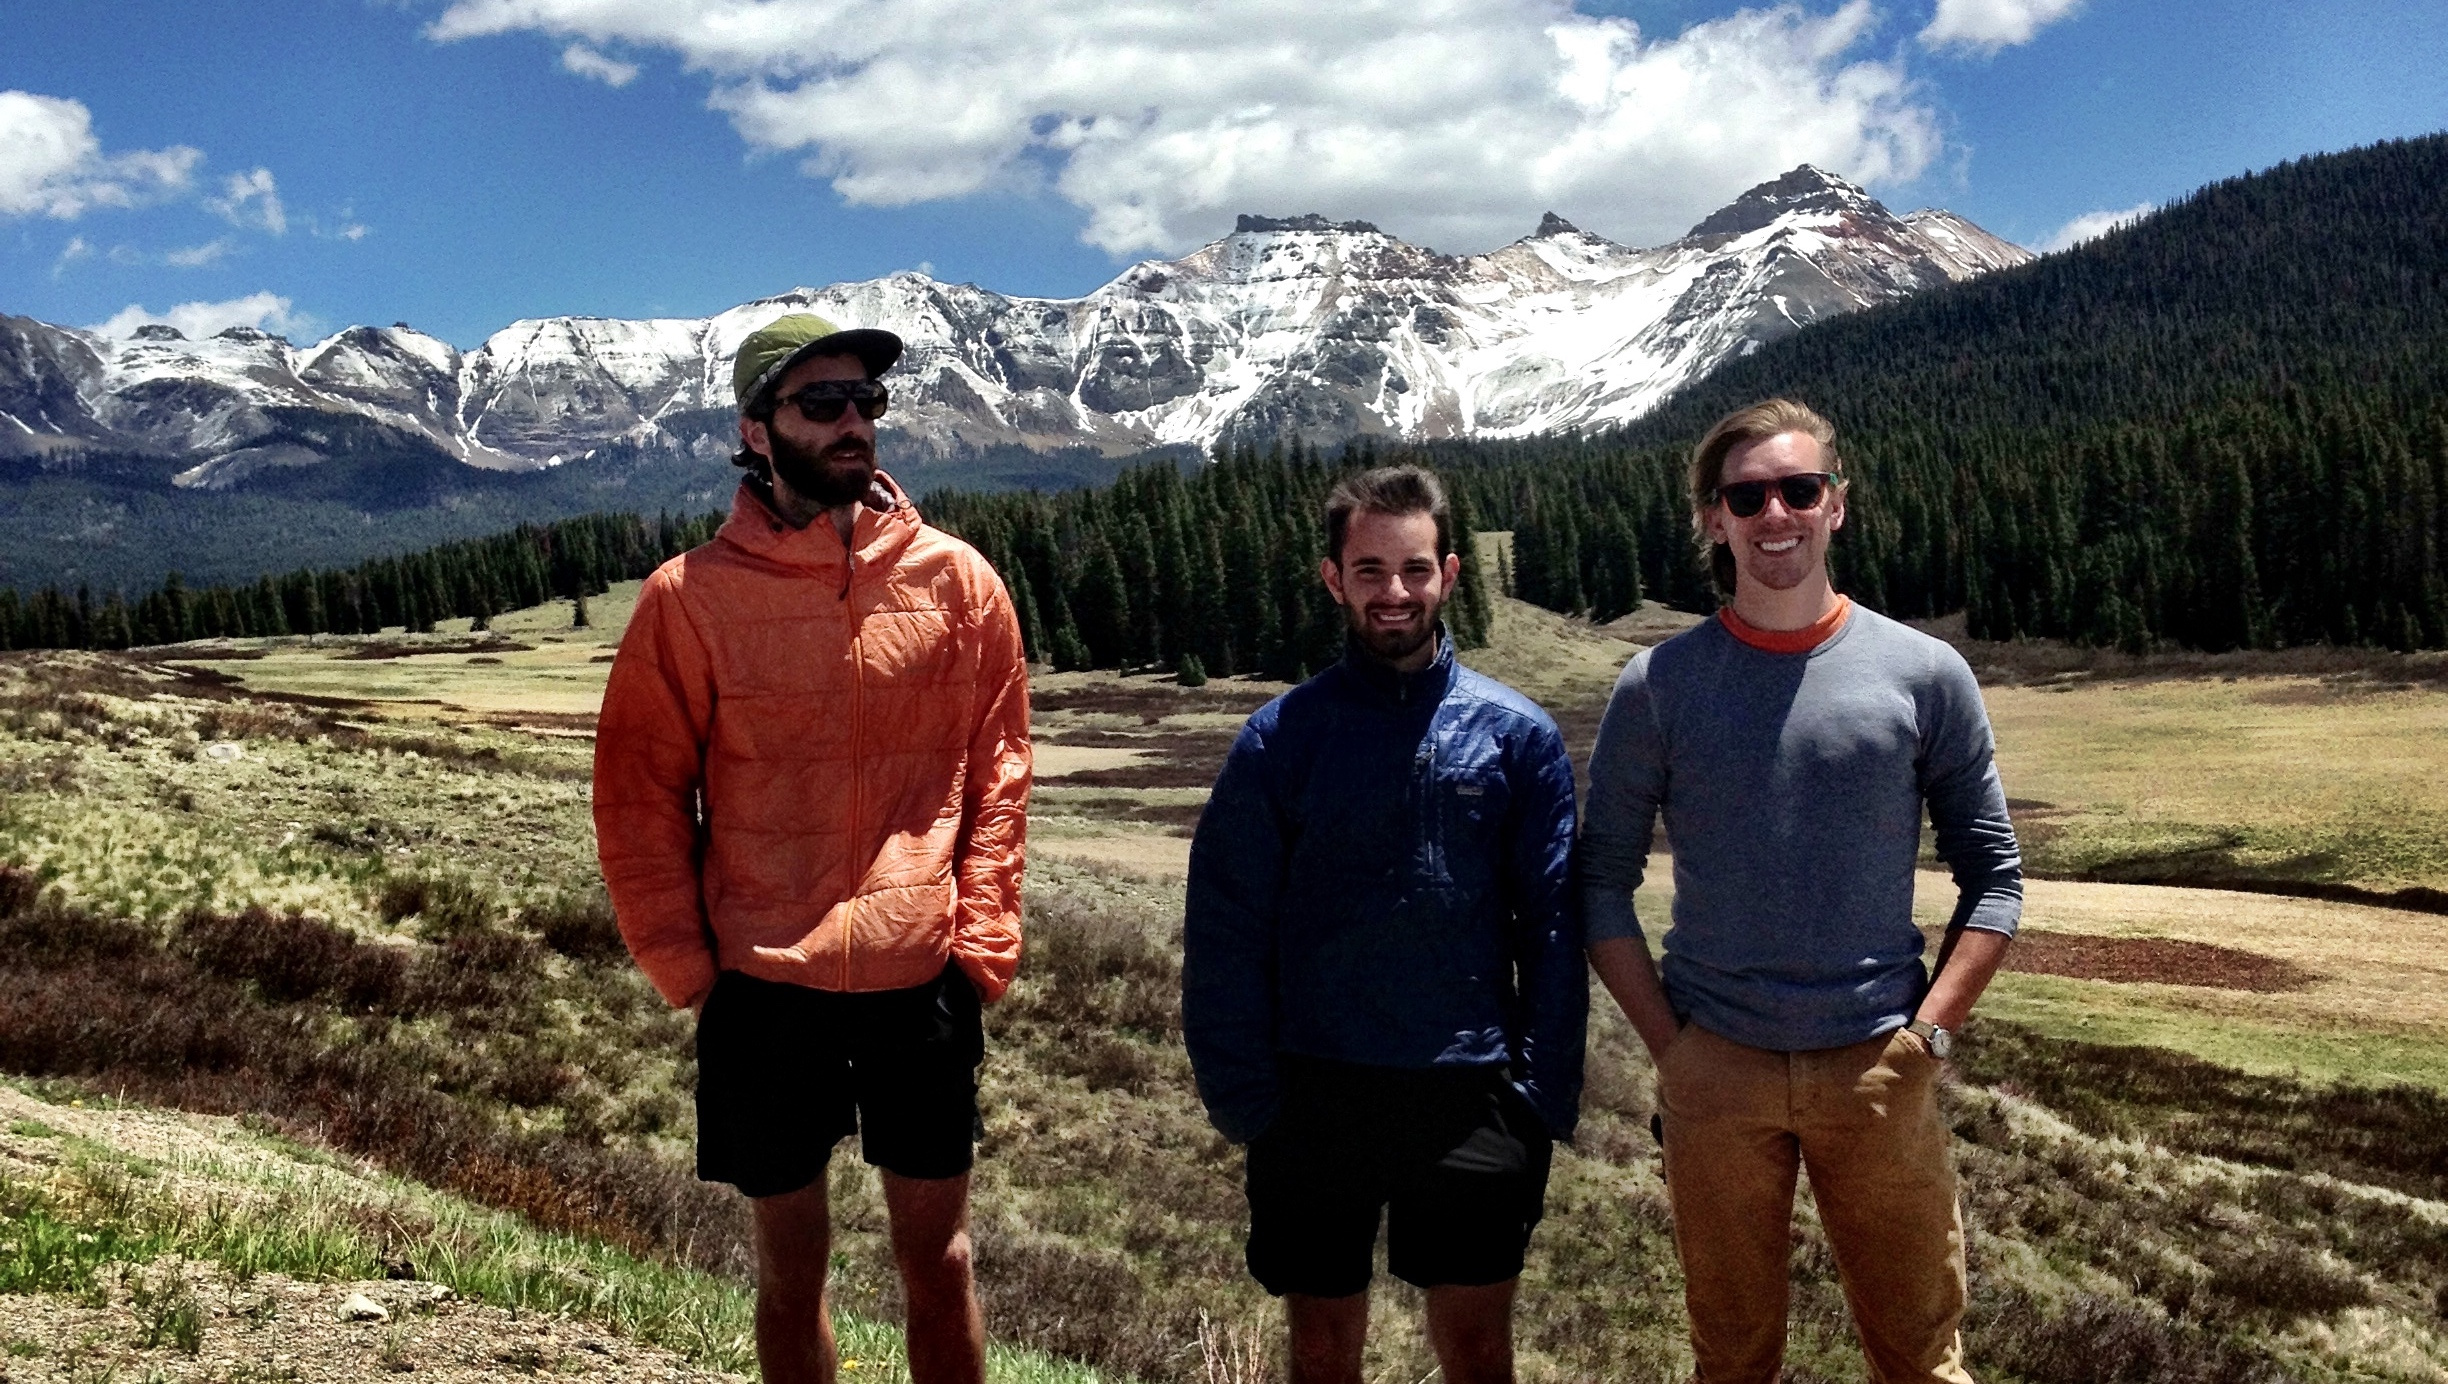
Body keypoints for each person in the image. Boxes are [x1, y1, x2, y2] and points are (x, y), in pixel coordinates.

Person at [592, 314, 1030, 1384]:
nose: (852, 422)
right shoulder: (688, 598)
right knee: (792, 1274)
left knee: (942, 1263)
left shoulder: (960, 583)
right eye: (822, 402)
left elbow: (1000, 775)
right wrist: (691, 970)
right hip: (763, 989)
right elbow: (639, 797)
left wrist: (979, 946)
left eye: (866, 401)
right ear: (757, 429)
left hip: (920, 979)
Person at [1580, 398, 2021, 1384]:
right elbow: (1600, 882)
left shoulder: (1926, 673)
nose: (1774, 513)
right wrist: (1674, 1053)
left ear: (1837, 505)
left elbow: (1994, 876)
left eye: (1799, 489)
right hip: (1716, 1072)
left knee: (1921, 1360)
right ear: (1714, 519)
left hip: (1879, 1065)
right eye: (1747, 496)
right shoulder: (1658, 685)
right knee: (1732, 1362)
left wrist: (1927, 1041)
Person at [1184, 465, 1584, 1384]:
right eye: (1369, 570)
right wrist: (1247, 1099)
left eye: (1413, 569)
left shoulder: (1517, 736)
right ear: (1334, 578)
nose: (1393, 591)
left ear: (1449, 573)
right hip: (1313, 1089)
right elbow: (1226, 929)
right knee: (1322, 1352)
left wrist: (1538, 1094)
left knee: (1478, 1353)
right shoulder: (1280, 741)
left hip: (1474, 1089)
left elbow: (1554, 927)